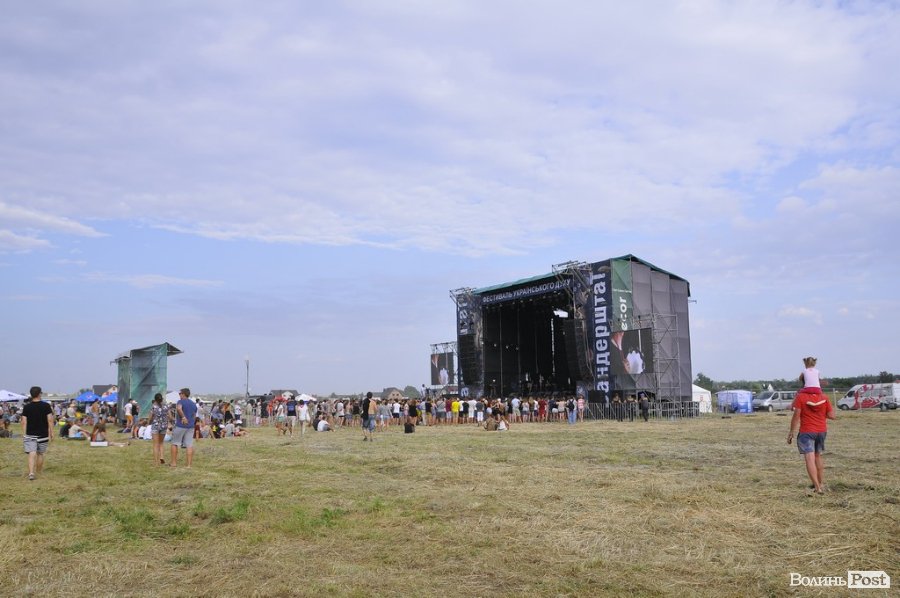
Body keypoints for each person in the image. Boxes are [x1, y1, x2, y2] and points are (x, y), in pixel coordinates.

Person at [788, 358, 835, 494]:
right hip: (821, 431)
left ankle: (817, 487)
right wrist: (820, 413)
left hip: (807, 431)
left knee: (809, 458)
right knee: (818, 456)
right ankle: (821, 483)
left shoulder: (801, 397)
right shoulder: (824, 397)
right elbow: (832, 416)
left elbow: (796, 415)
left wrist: (791, 432)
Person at [21, 386, 54, 481]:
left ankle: (31, 473)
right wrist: (51, 432)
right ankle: (38, 472)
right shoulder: (46, 406)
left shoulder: (27, 407)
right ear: (39, 394)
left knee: (31, 453)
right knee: (40, 453)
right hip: (43, 434)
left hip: (30, 434)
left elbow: (24, 422)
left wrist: (24, 433)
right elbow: (50, 420)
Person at [170, 388, 198, 468]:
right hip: (190, 426)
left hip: (180, 425)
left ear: (183, 394)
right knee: (189, 445)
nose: (179, 395)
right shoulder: (193, 404)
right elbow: (194, 415)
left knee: (175, 443)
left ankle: (174, 463)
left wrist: (183, 417)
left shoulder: (180, 401)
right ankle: (189, 465)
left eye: (180, 393)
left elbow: (179, 408)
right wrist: (191, 422)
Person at [150, 393, 169, 465]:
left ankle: (156, 462)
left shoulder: (153, 407)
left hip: (155, 425)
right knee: (161, 443)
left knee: (155, 444)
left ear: (155, 399)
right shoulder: (166, 406)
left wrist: (148, 422)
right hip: (164, 425)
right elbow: (170, 416)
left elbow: (150, 416)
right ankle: (162, 457)